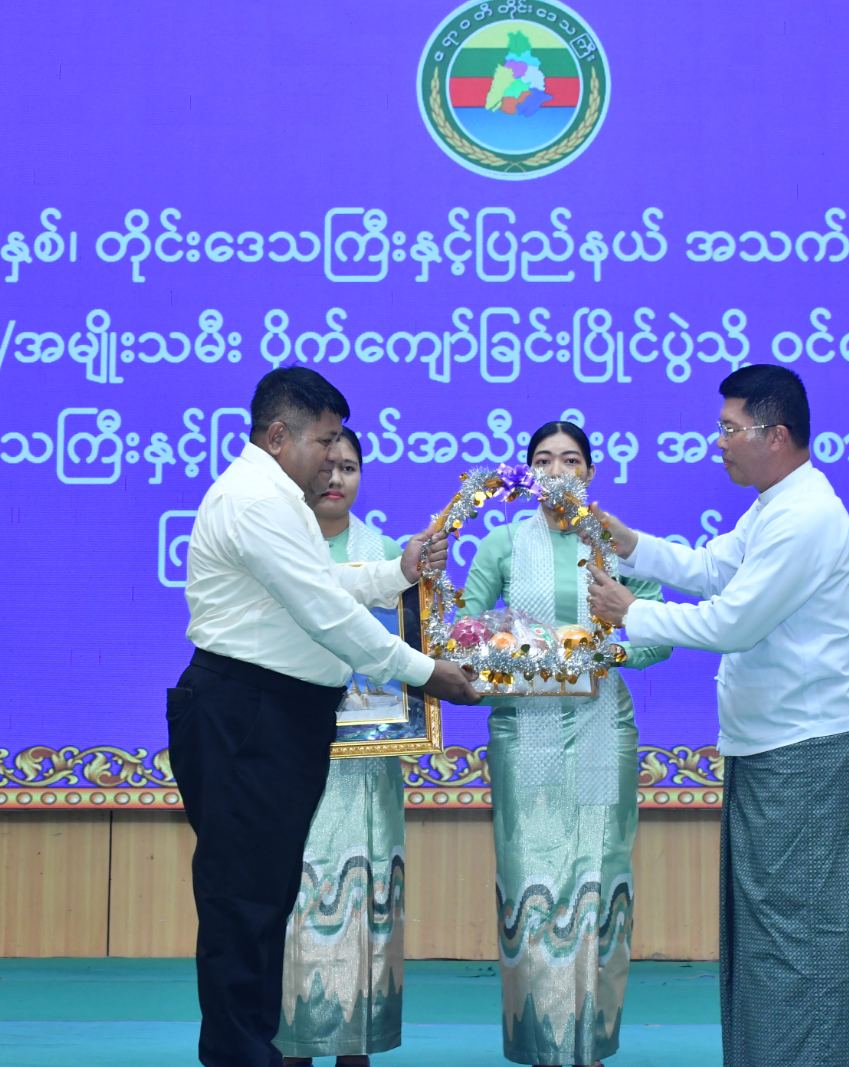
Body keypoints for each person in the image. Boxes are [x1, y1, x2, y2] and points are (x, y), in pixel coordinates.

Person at [169, 367, 479, 1067]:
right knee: (242, 909)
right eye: (325, 439)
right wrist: (427, 672)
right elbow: (326, 612)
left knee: (262, 903)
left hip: (271, 714)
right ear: (280, 436)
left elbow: (323, 582)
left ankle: (249, 1050)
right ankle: (239, 1056)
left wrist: (397, 572)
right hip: (246, 713)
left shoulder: (277, 499)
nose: (334, 456)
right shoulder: (255, 500)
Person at [585, 365, 849, 1067]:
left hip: (802, 750)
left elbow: (733, 621)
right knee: (769, 931)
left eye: (729, 428)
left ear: (776, 435)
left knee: (797, 934)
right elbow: (715, 569)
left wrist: (632, 611)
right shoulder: (777, 504)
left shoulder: (806, 516)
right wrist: (629, 543)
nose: (719, 442)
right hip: (771, 746)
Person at [460, 421, 672, 1067]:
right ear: (527, 474)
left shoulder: (615, 544)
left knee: (599, 874)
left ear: (591, 473)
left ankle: (590, 1044)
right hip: (523, 727)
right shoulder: (501, 543)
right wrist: (519, 652)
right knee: (530, 877)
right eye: (544, 460)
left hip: (602, 725)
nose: (557, 471)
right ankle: (541, 1041)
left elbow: (658, 632)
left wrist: (603, 653)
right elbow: (465, 630)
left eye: (571, 459)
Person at [278, 428, 407, 1067]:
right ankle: (290, 1040)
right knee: (294, 892)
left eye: (349, 467)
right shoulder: (278, 540)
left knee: (365, 887)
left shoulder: (387, 553)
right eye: (327, 465)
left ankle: (356, 1042)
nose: (336, 478)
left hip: (367, 755)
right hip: (288, 744)